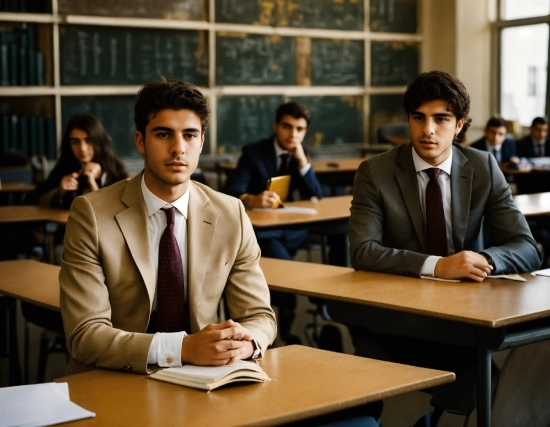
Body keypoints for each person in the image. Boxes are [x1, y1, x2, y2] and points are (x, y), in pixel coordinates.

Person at [346, 71, 541, 424]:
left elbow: (527, 247)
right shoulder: (375, 172)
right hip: (398, 319)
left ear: (460, 124)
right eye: (418, 117)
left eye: (441, 119)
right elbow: (363, 251)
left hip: (466, 318)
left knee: (492, 382)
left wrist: (483, 259)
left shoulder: (482, 166)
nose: (428, 130)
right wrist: (437, 265)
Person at [60, 79, 277, 376]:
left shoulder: (231, 213)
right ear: (140, 141)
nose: (178, 148)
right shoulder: (92, 215)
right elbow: (84, 335)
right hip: (115, 376)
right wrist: (183, 349)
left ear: (201, 142)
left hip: (205, 378)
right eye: (164, 134)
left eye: (189, 135)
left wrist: (245, 344)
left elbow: (259, 316)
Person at [223, 101, 323, 346]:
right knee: (272, 247)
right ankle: (284, 320)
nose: (293, 134)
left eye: (300, 129)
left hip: (289, 230)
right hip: (263, 229)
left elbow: (316, 196)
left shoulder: (300, 152)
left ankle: (292, 312)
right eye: (287, 127)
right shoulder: (254, 153)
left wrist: (302, 162)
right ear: (275, 126)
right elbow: (231, 191)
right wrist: (252, 199)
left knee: (284, 244)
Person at [27, 113, 129, 209]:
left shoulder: (114, 167)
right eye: (75, 142)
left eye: (88, 141)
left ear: (99, 141)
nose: (82, 148)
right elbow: (32, 199)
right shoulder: (66, 165)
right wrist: (59, 192)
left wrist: (92, 182)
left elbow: (119, 209)